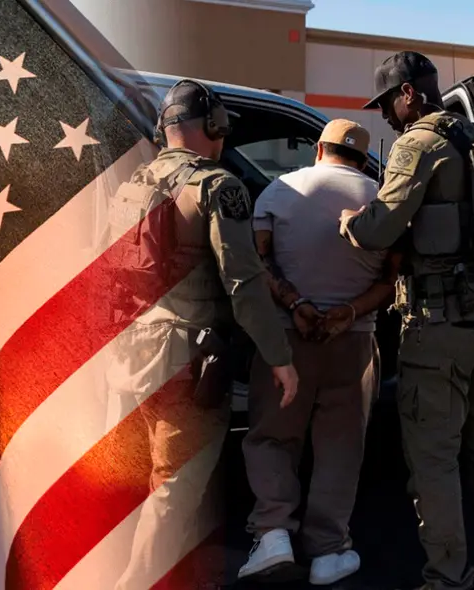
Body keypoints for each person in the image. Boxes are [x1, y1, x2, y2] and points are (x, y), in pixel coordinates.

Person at [339, 51, 474, 590]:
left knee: (435, 458)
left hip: (441, 324)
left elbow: (379, 227)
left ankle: (447, 580)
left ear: (407, 95)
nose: (386, 118)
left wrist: (350, 222)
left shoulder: (418, 144)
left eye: (387, 105)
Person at [103, 79, 299, 589]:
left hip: (128, 356)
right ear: (211, 126)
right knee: (175, 487)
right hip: (187, 358)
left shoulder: (133, 184)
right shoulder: (219, 186)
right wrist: (279, 357)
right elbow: (244, 283)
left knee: (148, 482)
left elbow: (107, 273)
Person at [237, 119, 396, 585]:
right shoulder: (381, 200)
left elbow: (256, 261)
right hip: (353, 341)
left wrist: (296, 303)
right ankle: (328, 551)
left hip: (287, 338)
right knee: (341, 446)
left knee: (271, 436)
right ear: (365, 159)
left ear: (319, 149)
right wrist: (346, 312)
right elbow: (391, 280)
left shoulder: (279, 190)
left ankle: (272, 534)